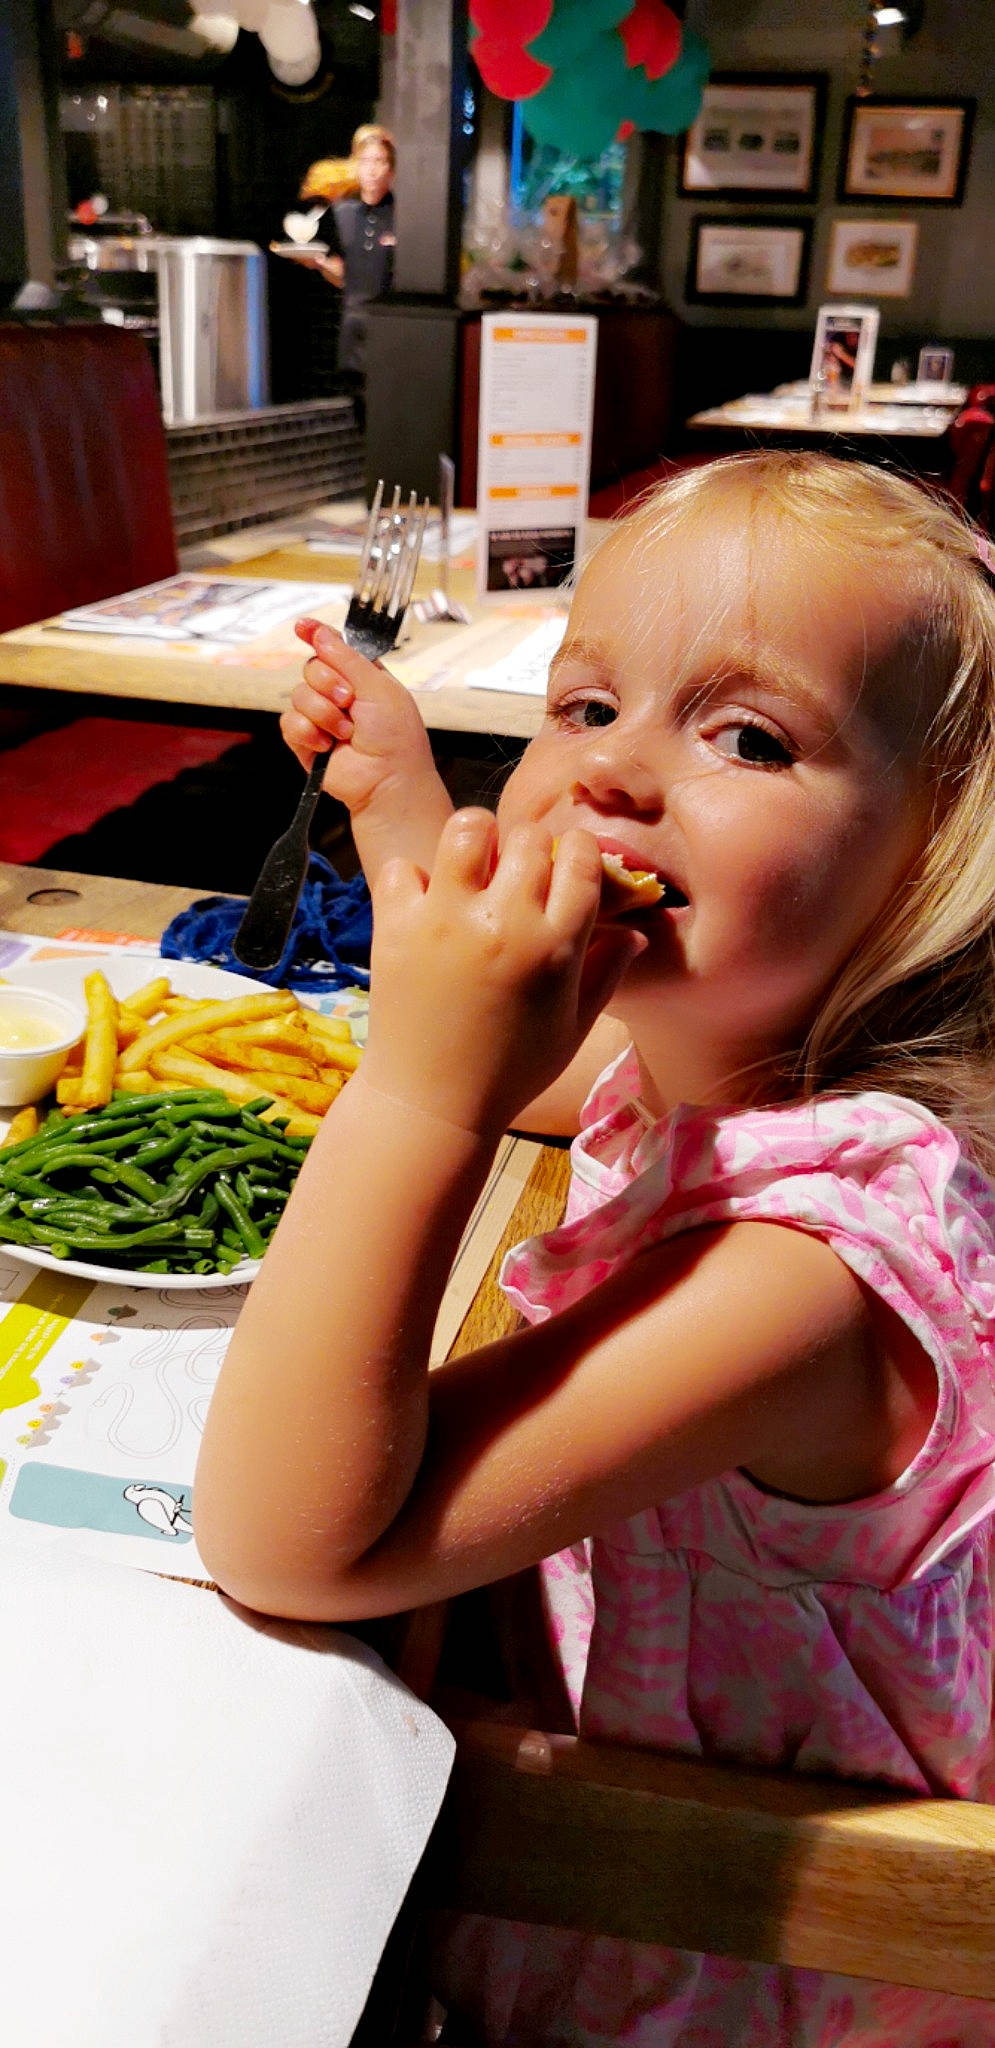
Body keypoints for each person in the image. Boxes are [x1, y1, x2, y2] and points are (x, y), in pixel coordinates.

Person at [195, 453, 995, 2045]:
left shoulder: (805, 1278)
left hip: (699, 1954)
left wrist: (420, 1087)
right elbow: (540, 1060)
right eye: (582, 708)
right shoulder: (739, 1058)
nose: (610, 776)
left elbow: (290, 1541)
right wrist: (407, 804)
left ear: (927, 868)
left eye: (744, 737)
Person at [307, 123, 396, 428]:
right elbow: (342, 276)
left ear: (392, 171)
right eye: (365, 161)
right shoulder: (343, 214)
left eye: (379, 161)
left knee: (385, 406)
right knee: (356, 404)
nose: (371, 170)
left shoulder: (402, 215)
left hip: (388, 325)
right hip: (352, 321)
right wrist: (319, 264)